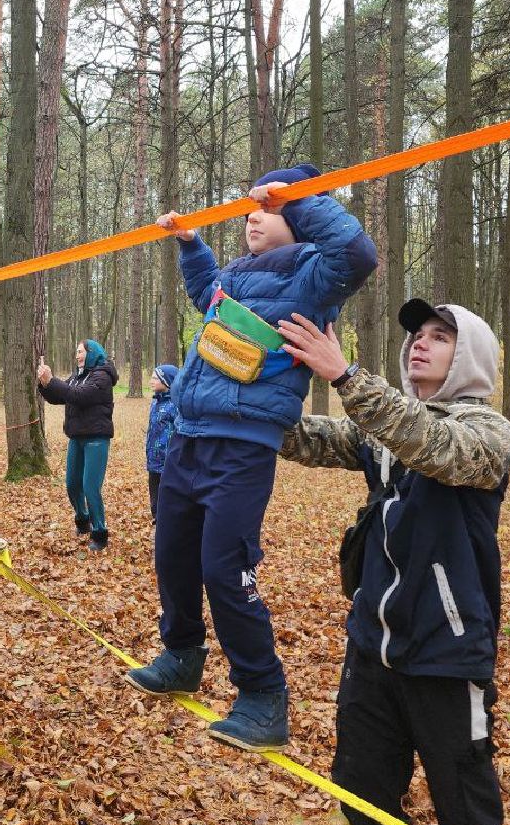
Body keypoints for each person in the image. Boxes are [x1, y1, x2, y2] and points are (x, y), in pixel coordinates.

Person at [127, 163, 377, 751]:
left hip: (243, 446)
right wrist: (191, 245)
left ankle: (263, 694)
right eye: (248, 210)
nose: (251, 218)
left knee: (224, 567)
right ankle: (182, 654)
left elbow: (359, 253)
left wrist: (299, 200)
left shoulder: (316, 276)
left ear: (295, 215)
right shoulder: (236, 276)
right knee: (173, 553)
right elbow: (204, 295)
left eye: (264, 209)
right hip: (189, 433)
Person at [276, 299, 510, 825]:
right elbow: (302, 437)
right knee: (361, 788)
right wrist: (233, 393)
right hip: (371, 651)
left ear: (471, 357)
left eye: (440, 337)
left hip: (446, 653)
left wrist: (346, 377)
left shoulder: (487, 432)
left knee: (464, 810)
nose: (421, 343)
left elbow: (432, 446)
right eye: (417, 334)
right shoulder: (382, 431)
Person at [37, 339, 118, 551]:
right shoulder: (78, 376)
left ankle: (100, 532)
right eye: (76, 352)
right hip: (76, 437)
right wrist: (45, 385)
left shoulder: (102, 376)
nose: (77, 356)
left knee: (90, 487)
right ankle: (82, 520)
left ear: (92, 353)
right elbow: (60, 396)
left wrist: (53, 380)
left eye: (80, 352)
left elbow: (79, 396)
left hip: (96, 439)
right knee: (72, 484)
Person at [145, 363, 179, 520]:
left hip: (169, 463)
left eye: (155, 378)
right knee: (155, 499)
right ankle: (157, 522)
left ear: (166, 382)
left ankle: (166, 526)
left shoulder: (175, 405)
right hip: (154, 461)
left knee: (168, 499)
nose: (151, 381)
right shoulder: (155, 403)